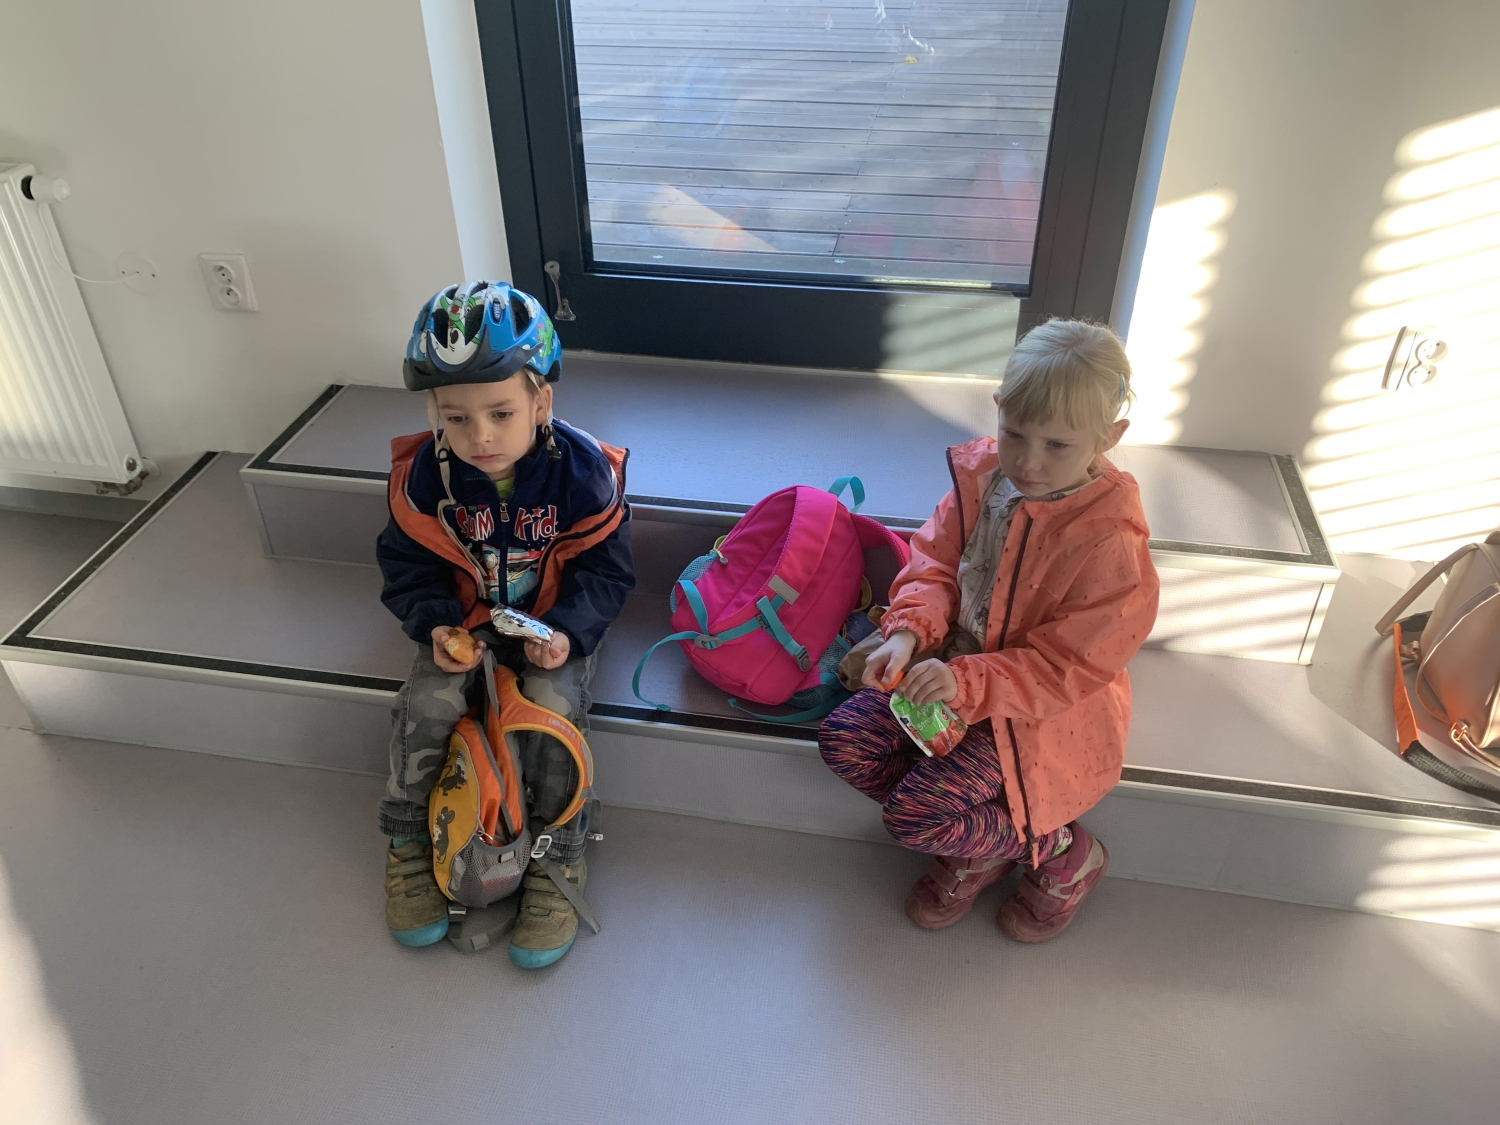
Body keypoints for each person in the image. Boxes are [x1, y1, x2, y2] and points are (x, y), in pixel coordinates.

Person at [819, 319, 1158, 942]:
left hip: (1032, 715)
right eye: (1015, 433)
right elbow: (933, 562)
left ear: (1109, 437)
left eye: (1058, 445)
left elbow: (1069, 667)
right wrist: (907, 632)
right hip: (944, 670)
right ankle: (977, 841)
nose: (1028, 461)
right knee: (844, 740)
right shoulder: (983, 481)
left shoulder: (1110, 540)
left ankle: (1061, 852)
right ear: (998, 409)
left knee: (912, 819)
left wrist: (964, 680)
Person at [375, 281, 634, 967]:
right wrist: (435, 625)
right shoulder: (426, 478)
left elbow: (607, 574)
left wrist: (568, 633)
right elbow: (407, 564)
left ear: (540, 403)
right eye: (456, 418)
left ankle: (558, 852)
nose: (480, 436)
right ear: (434, 412)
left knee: (552, 708)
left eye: (501, 412)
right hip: (463, 622)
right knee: (427, 701)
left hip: (551, 627)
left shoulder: (583, 475)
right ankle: (407, 838)